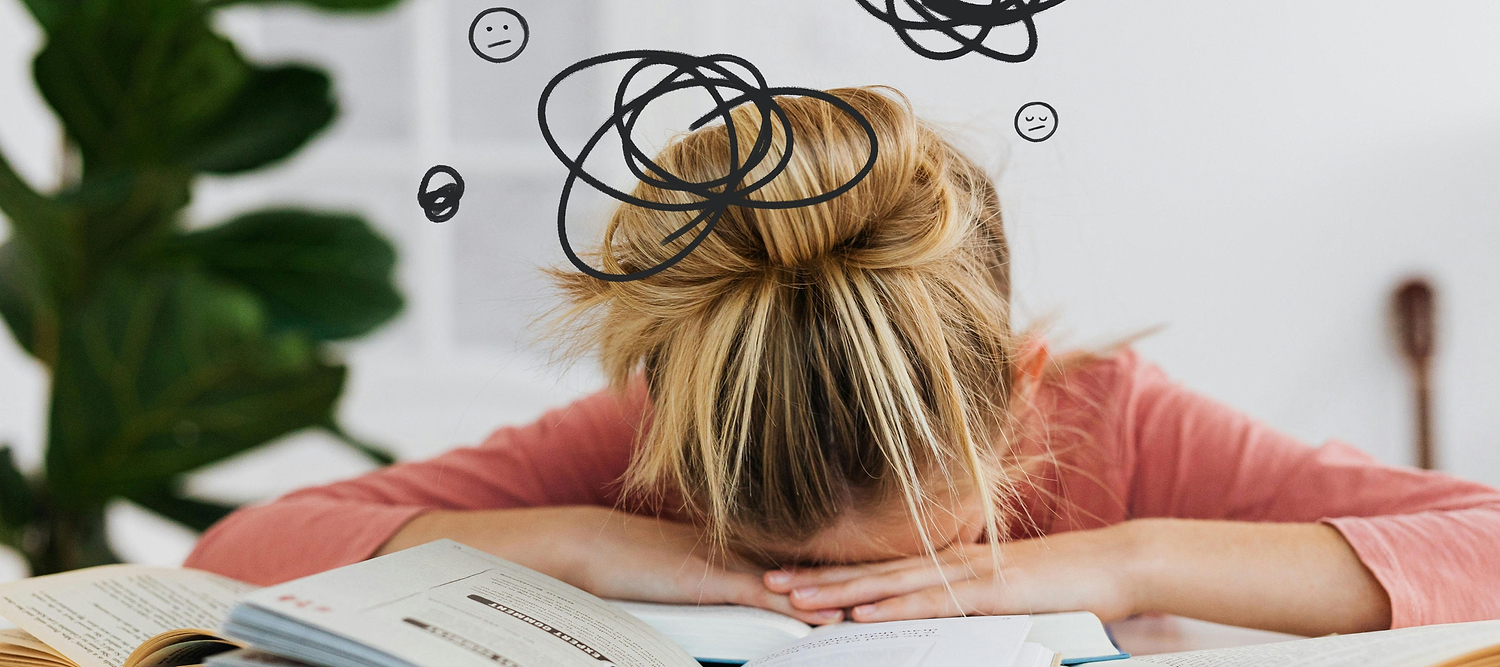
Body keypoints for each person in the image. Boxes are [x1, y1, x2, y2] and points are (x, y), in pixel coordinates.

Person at [185, 87, 1500, 637]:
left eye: (933, 565)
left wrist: (1126, 558)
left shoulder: (1118, 428)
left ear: (1021, 385)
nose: (851, 617)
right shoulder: (648, 444)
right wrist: (584, 544)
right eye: (796, 575)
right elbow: (240, 549)